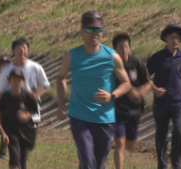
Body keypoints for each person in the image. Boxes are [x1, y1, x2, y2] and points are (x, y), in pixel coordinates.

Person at [56, 11, 132, 169]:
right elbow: (61, 78)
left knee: (98, 164)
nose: (94, 33)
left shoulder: (112, 57)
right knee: (88, 160)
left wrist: (112, 95)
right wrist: (61, 104)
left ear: (103, 31)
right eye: (89, 29)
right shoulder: (71, 56)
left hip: (105, 119)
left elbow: (126, 83)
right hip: (79, 117)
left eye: (97, 29)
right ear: (82, 31)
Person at [147, 24, 181, 169]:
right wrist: (155, 89)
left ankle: (177, 164)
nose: (175, 40)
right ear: (166, 38)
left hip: (179, 102)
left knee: (178, 131)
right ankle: (162, 165)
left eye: (178, 37)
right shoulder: (157, 57)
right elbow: (145, 76)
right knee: (162, 136)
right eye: (172, 37)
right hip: (161, 103)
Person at [111, 33, 151, 169]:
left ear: (129, 47)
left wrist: (139, 92)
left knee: (130, 145)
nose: (124, 50)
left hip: (134, 111)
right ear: (115, 49)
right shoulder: (111, 67)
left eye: (126, 46)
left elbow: (148, 84)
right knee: (120, 143)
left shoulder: (137, 64)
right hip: (117, 110)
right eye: (120, 47)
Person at [0, 38, 50, 124]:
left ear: (28, 50)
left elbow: (45, 85)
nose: (21, 50)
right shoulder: (7, 70)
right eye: (18, 48)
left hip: (30, 108)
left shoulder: (36, 67)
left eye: (24, 48)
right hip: (12, 109)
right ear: (13, 51)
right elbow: (0, 90)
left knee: (30, 134)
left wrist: (35, 96)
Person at [0, 69, 38, 169]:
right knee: (14, 158)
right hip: (10, 130)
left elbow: (34, 110)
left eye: (19, 80)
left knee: (22, 161)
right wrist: (2, 130)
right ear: (9, 80)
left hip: (25, 131)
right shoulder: (5, 97)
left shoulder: (28, 96)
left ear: (23, 81)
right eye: (13, 79)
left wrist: (26, 115)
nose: (16, 82)